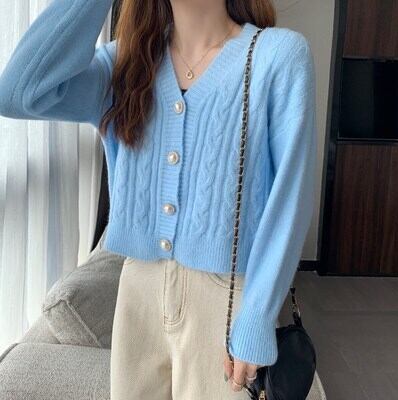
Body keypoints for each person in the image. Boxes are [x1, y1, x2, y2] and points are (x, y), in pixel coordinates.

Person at [0, 0, 317, 399]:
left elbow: (291, 197)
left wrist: (256, 317)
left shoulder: (278, 56)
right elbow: (18, 92)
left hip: (225, 300)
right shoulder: (124, 65)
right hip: (137, 292)